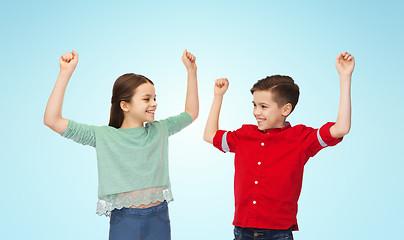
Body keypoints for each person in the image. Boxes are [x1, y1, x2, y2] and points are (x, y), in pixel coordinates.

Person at [44, 49, 199, 240]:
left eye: (154, 98)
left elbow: (191, 113)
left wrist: (191, 72)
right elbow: (52, 120)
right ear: (125, 105)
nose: (154, 103)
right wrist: (65, 73)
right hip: (124, 219)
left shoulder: (160, 129)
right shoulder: (102, 135)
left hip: (159, 216)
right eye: (146, 99)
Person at [203, 52, 354, 240]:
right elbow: (209, 135)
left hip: (278, 233)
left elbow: (341, 128)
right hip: (242, 231)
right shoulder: (243, 136)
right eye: (254, 105)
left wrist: (344, 77)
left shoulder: (300, 138)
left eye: (263, 106)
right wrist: (218, 96)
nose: (256, 112)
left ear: (286, 109)